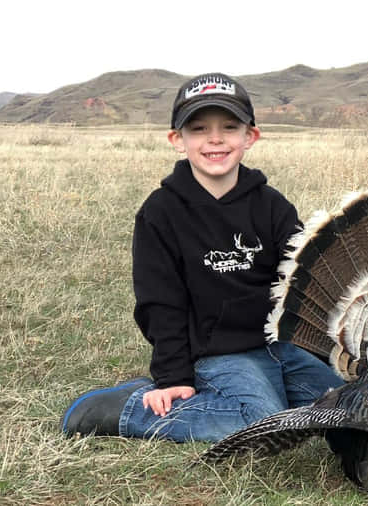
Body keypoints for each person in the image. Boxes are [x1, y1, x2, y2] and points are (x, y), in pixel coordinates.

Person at [61, 73, 344, 441]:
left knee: (348, 408)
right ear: (178, 140)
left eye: (229, 126)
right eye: (198, 128)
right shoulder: (161, 213)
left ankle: (269, 399)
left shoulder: (272, 206)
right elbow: (160, 304)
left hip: (279, 350)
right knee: (260, 424)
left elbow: (302, 284)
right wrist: (173, 377)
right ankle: (131, 408)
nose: (215, 139)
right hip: (219, 355)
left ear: (249, 137)